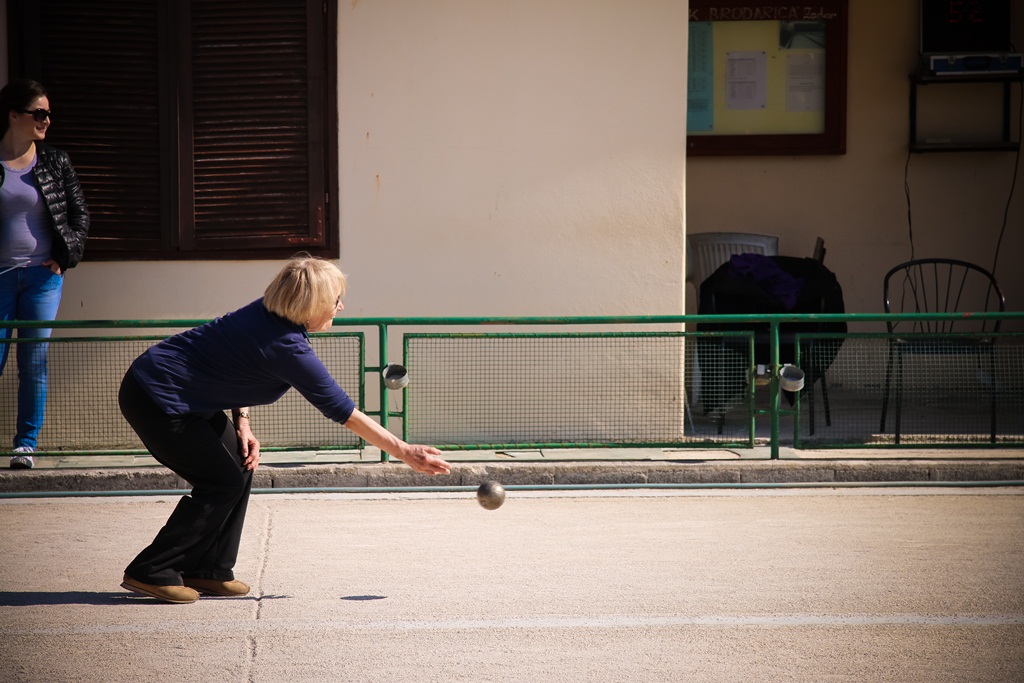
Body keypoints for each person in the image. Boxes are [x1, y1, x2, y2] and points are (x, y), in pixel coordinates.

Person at [118, 255, 451, 604]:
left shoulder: (266, 315)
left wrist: (242, 423)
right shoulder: (285, 346)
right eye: (335, 299)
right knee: (222, 481)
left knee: (240, 465)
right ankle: (152, 569)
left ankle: (209, 569)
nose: (341, 305)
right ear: (312, 304)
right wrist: (405, 451)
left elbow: (231, 370)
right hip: (156, 398)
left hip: (183, 395)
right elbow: (345, 411)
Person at [0, 79, 90, 469]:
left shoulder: (55, 161)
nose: (46, 120)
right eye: (39, 113)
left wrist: (65, 257)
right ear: (14, 115)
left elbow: (79, 215)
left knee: (33, 361)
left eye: (49, 114)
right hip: (0, 277)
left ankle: (26, 445)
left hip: (42, 279)